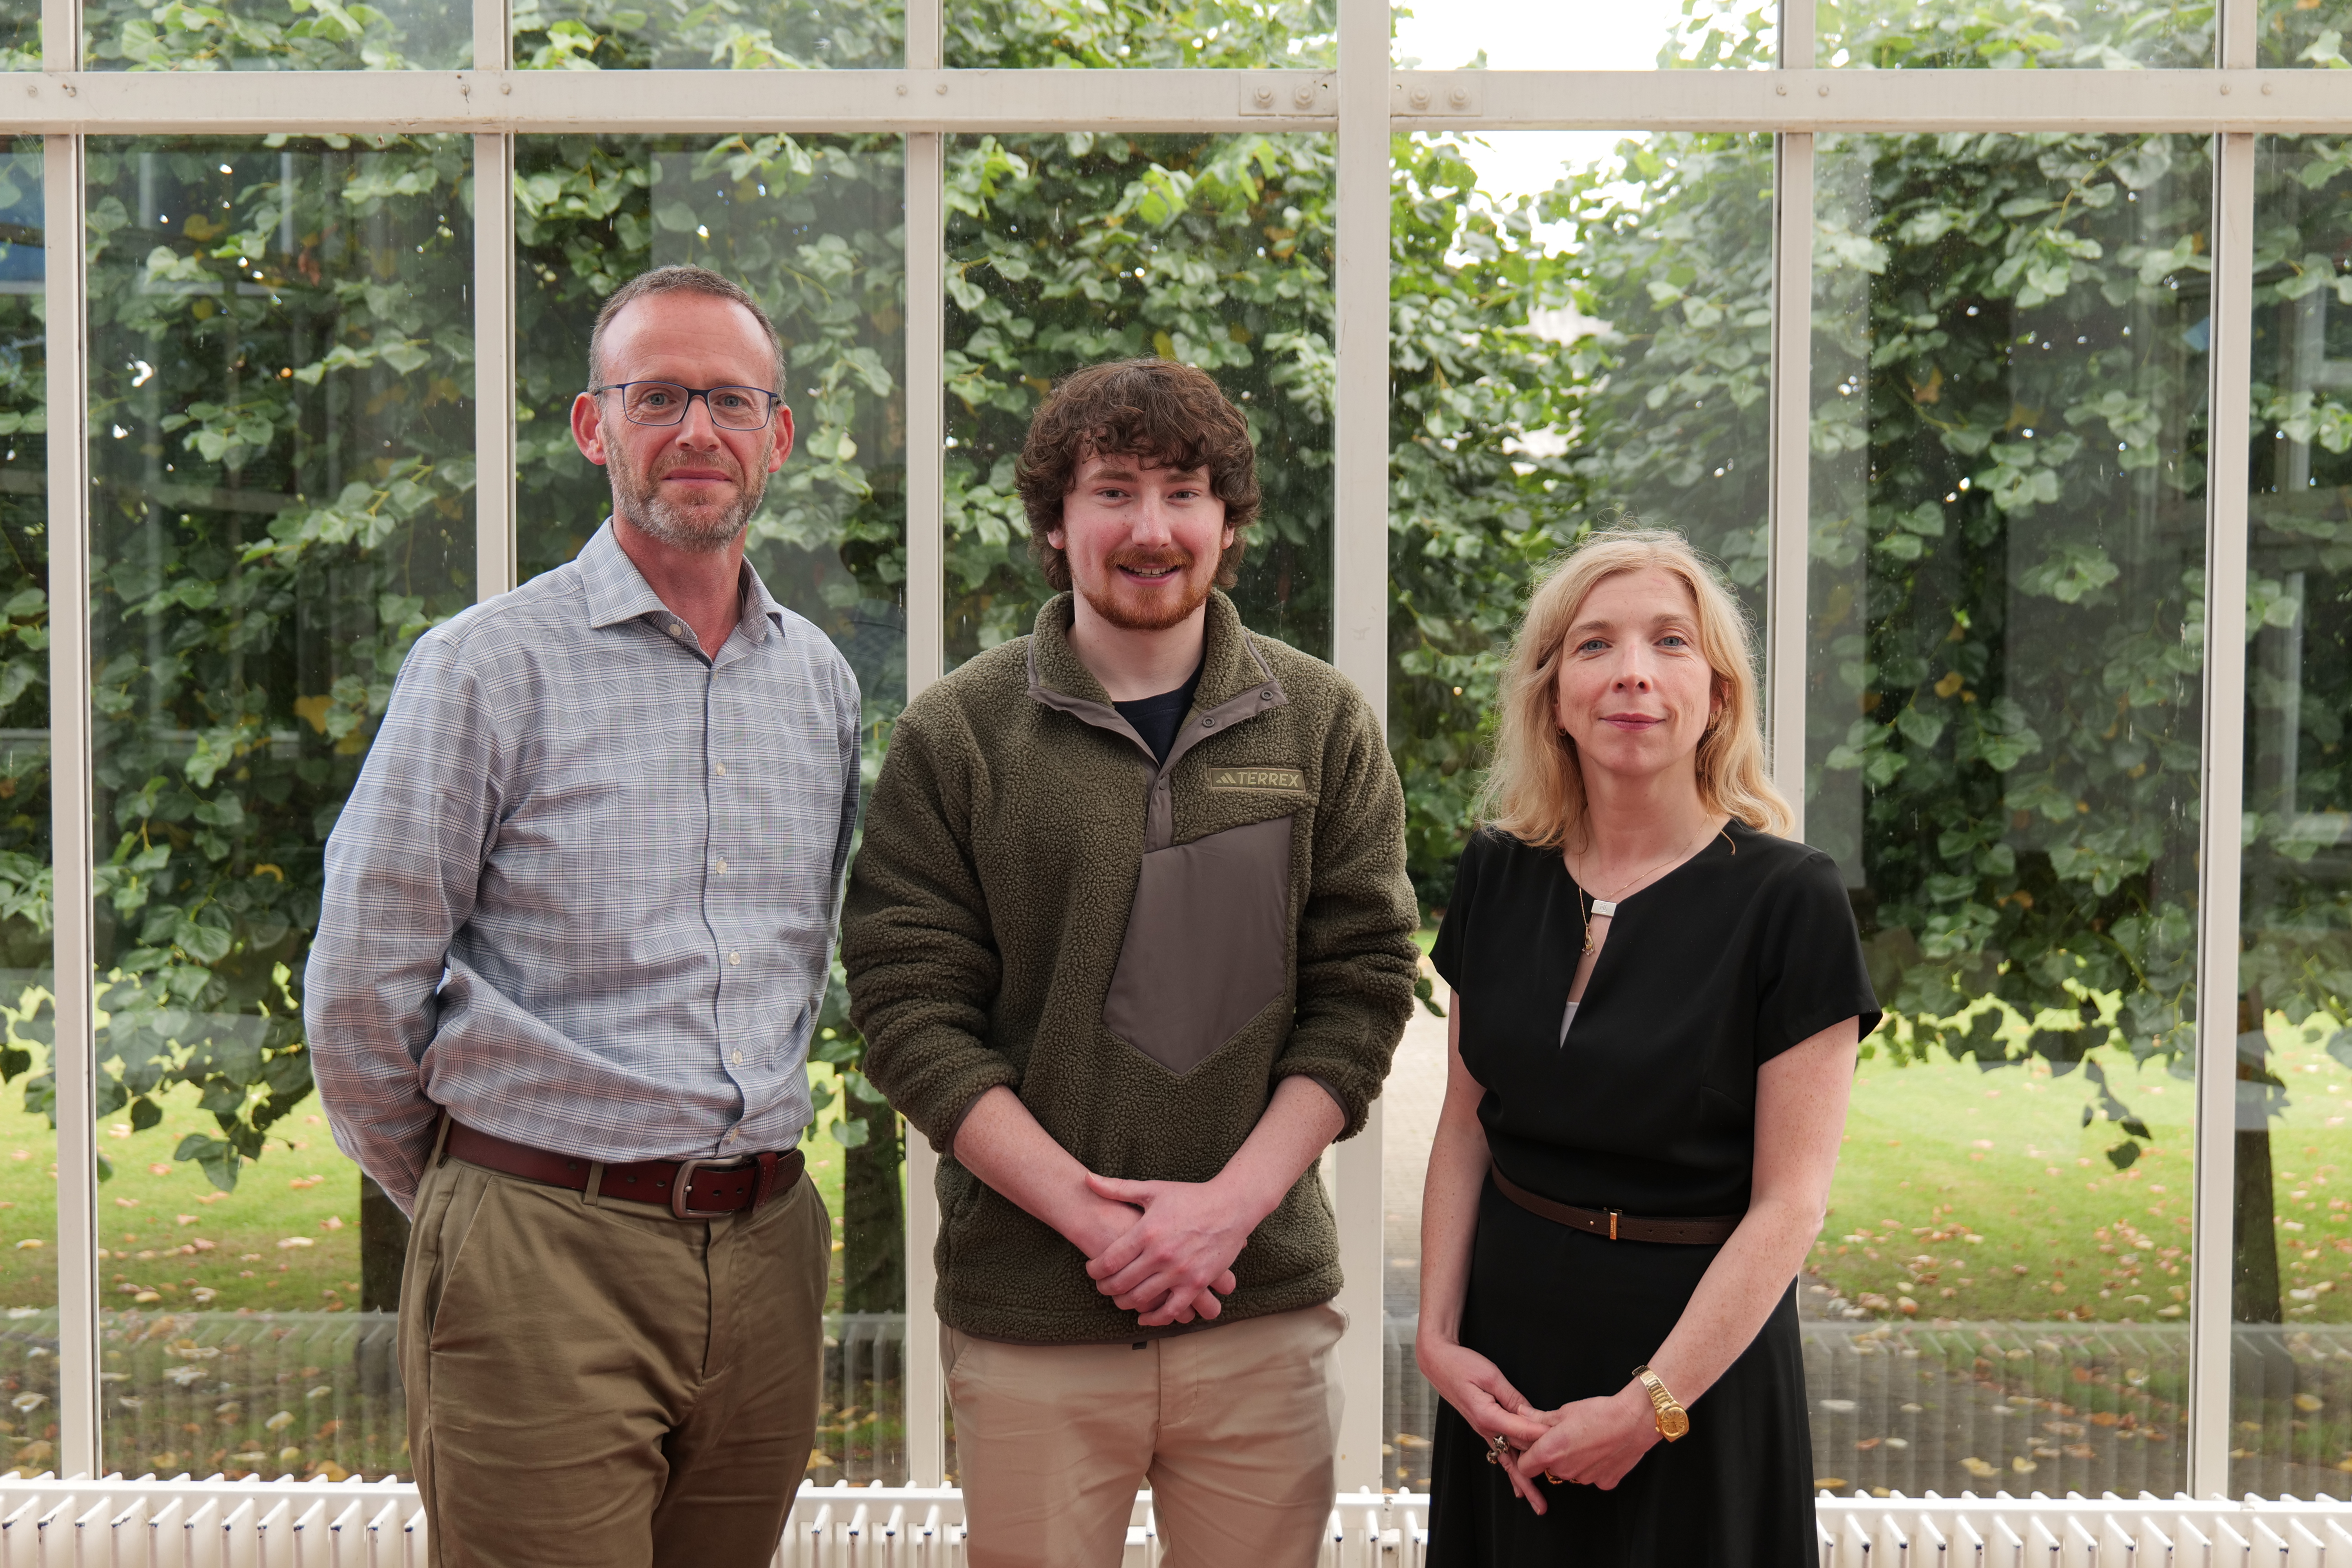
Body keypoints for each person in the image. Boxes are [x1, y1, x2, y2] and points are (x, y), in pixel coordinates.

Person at [305, 264, 858, 1568]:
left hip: (768, 1249)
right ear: (591, 425)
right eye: (656, 396)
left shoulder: (820, 683)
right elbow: (361, 988)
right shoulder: (486, 665)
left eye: (730, 399)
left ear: (777, 434)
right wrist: (474, 1200)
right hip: (537, 1251)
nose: (696, 433)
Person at [842, 357, 1420, 1568]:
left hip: (1257, 1305)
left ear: (1228, 522)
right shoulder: (958, 734)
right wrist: (1098, 1223)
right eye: (1114, 492)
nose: (1151, 529)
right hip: (1031, 1317)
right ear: (1056, 522)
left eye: (1185, 493)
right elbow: (908, 1012)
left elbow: (1363, 989)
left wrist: (1226, 1213)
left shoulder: (1320, 724)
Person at [1416, 527, 1879, 1566]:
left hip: (1694, 1372)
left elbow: (1791, 1204)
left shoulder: (1791, 899)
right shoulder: (1498, 871)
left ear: (1717, 693)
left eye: (1671, 642)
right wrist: (1439, 1339)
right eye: (1595, 646)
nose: (1633, 673)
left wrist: (1649, 1408)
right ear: (1553, 693)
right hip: (1505, 1364)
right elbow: (1465, 1125)